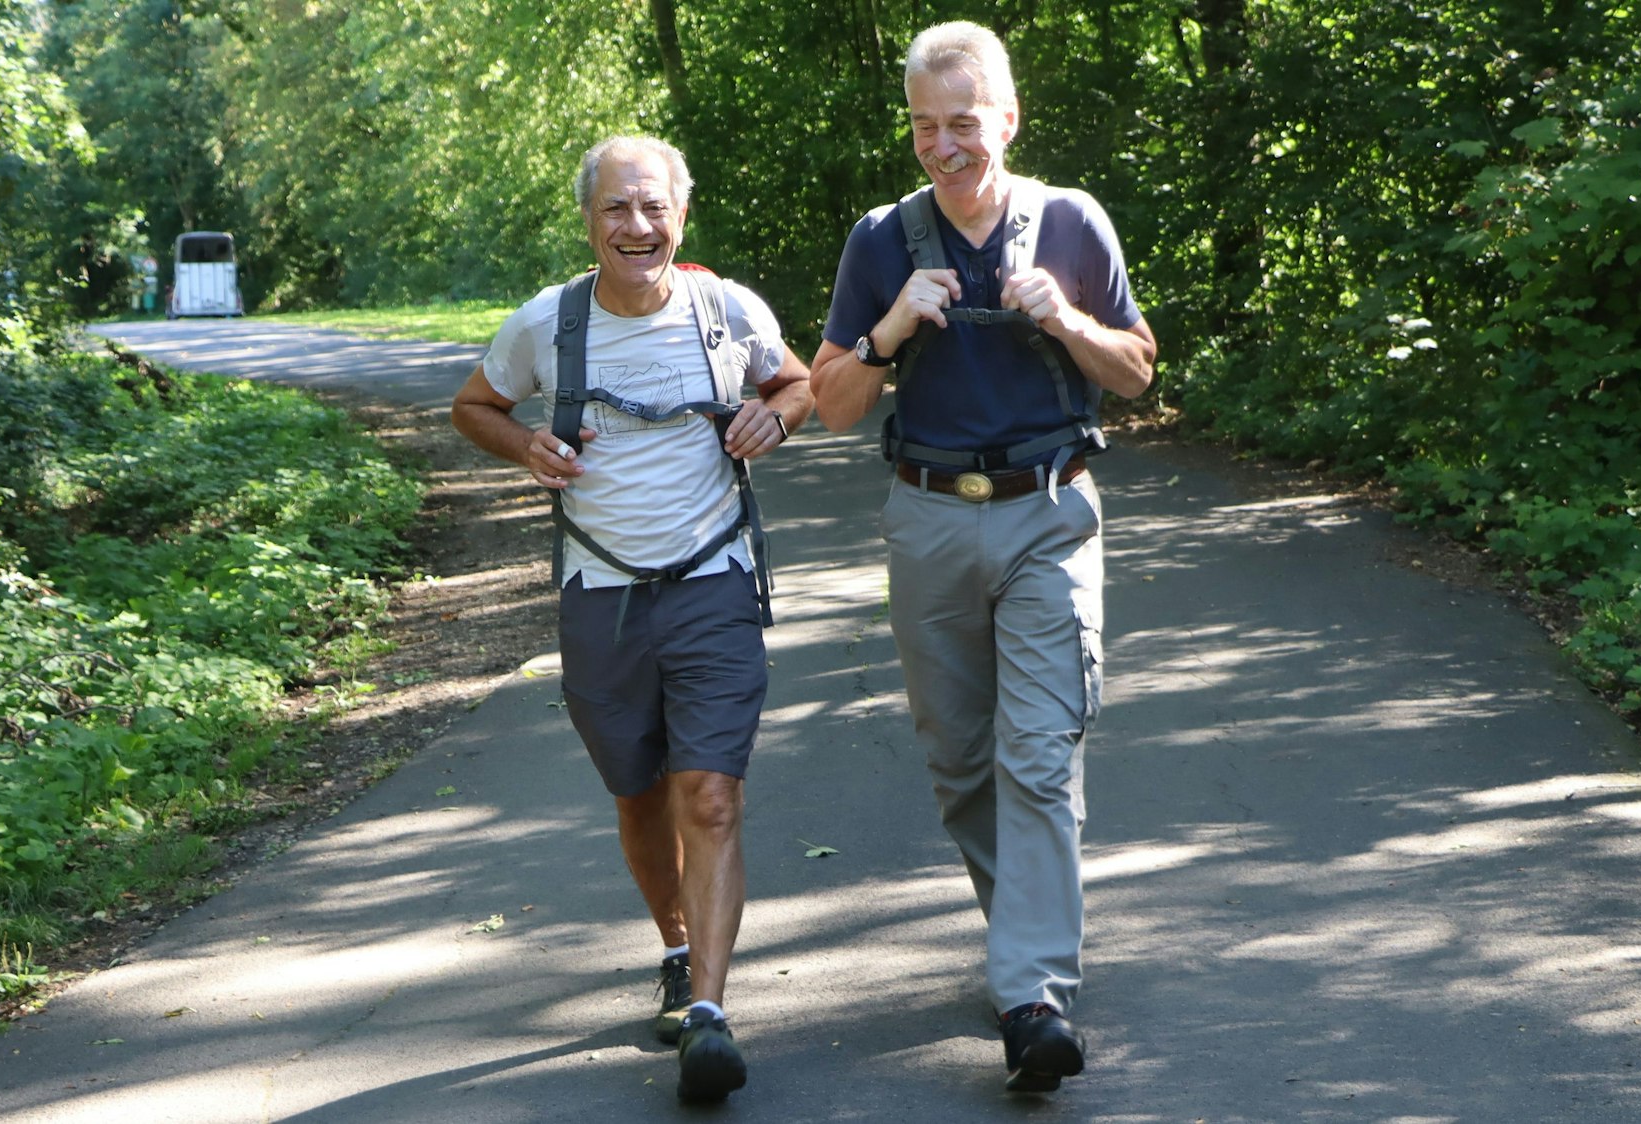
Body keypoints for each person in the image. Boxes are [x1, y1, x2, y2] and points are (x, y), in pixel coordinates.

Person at [808, 21, 1156, 1096]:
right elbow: (830, 403)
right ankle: (1026, 944)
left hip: (1048, 512)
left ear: (1006, 118)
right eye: (925, 125)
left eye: (963, 121)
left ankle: (1031, 995)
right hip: (927, 518)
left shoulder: (1072, 222)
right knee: (962, 763)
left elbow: (1138, 372)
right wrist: (887, 332)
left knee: (1039, 753)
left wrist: (1070, 322)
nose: (944, 145)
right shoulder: (882, 239)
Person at [451, 134, 813, 1102]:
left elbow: (797, 380)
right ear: (589, 220)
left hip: (712, 581)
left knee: (711, 796)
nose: (637, 225)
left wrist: (778, 414)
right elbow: (474, 406)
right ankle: (677, 948)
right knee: (640, 794)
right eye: (617, 207)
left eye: (654, 207)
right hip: (600, 594)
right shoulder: (546, 323)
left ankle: (710, 1014)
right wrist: (525, 443)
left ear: (680, 215)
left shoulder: (728, 310)